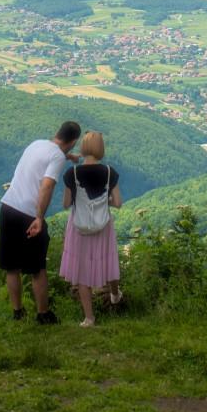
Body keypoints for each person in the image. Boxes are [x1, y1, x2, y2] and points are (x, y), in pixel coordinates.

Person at [0, 120, 81, 324]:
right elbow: (47, 186)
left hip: (8, 206)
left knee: (12, 266)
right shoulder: (56, 157)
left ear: (57, 133)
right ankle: (43, 314)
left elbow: (50, 156)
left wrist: (68, 156)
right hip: (28, 214)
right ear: (73, 141)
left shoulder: (36, 144)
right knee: (37, 268)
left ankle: (17, 312)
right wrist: (39, 217)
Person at [59, 130, 122, 327]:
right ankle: (114, 294)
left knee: (82, 269)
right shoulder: (110, 172)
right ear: (101, 149)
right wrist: (103, 202)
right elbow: (118, 203)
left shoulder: (72, 173)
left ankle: (89, 318)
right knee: (108, 258)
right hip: (103, 225)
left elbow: (66, 203)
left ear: (84, 148)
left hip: (79, 226)